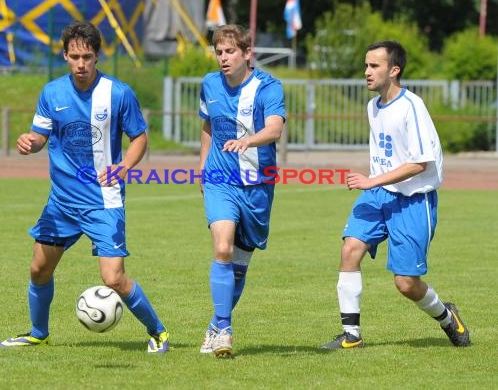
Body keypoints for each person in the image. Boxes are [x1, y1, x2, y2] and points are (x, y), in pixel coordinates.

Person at [0, 21, 168, 353]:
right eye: (74, 56)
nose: (81, 64)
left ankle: (158, 332)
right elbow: (40, 138)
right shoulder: (52, 92)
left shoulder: (118, 93)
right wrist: (29, 142)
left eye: (87, 57)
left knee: (114, 279)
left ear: (97, 56)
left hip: (103, 201)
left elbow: (139, 137)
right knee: (38, 268)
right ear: (65, 56)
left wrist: (124, 166)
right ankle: (38, 333)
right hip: (61, 202)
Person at [321, 40, 470, 349]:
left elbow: (419, 163)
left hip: (414, 200)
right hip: (378, 195)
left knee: (405, 284)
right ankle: (352, 336)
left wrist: (371, 180)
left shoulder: (411, 106)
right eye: (366, 65)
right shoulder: (372, 106)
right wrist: (374, 184)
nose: (366, 72)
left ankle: (446, 316)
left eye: (374, 66)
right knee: (350, 250)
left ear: (394, 70)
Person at [198, 24, 286, 358]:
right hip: (220, 181)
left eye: (230, 51)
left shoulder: (269, 87)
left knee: (238, 266)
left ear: (248, 54)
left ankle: (214, 326)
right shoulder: (209, 84)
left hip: (258, 187)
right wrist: (203, 166)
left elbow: (275, 128)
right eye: (218, 52)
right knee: (222, 248)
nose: (223, 58)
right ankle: (225, 330)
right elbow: (208, 125)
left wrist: (249, 139)